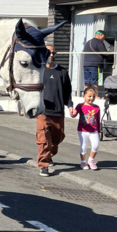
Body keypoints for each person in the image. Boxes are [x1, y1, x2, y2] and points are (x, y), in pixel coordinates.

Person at [37, 44, 72, 176]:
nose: (51, 55)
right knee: (43, 138)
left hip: (58, 111)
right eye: (48, 52)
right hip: (43, 111)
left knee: (57, 138)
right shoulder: (39, 70)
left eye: (53, 53)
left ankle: (49, 154)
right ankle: (43, 164)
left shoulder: (62, 72)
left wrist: (70, 105)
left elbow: (67, 91)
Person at [69, 86, 101, 170]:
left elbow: (98, 120)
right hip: (83, 130)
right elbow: (74, 115)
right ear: (84, 96)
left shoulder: (97, 107)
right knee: (84, 146)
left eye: (93, 96)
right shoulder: (80, 106)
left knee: (96, 145)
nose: (91, 98)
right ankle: (83, 162)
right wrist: (73, 112)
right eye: (89, 96)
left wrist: (99, 130)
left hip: (93, 130)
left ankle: (91, 160)